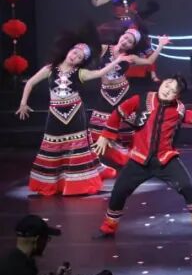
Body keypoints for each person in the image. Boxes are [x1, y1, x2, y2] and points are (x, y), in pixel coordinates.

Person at [93, 77, 192, 237]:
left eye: (173, 91)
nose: (167, 91)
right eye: (166, 86)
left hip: (165, 159)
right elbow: (119, 112)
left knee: (188, 187)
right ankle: (108, 228)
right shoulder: (142, 99)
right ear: (161, 84)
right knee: (119, 191)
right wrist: (105, 135)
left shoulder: (180, 109)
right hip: (139, 159)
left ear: (177, 96)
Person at [18, 37, 129, 195]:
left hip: (75, 113)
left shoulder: (80, 73)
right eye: (74, 52)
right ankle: (53, 183)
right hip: (55, 114)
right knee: (53, 146)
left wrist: (116, 60)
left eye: (79, 57)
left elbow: (100, 73)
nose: (75, 57)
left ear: (81, 62)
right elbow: (30, 82)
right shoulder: (50, 69)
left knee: (76, 148)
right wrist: (23, 103)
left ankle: (78, 184)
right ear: (69, 51)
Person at [87, 30, 170, 169]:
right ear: (121, 36)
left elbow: (149, 61)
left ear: (132, 46)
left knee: (126, 129)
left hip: (122, 92)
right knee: (97, 129)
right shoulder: (104, 48)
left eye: (130, 42)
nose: (126, 42)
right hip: (106, 93)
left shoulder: (130, 57)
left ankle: (131, 158)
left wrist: (160, 45)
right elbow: (87, 51)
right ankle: (109, 158)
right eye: (125, 38)